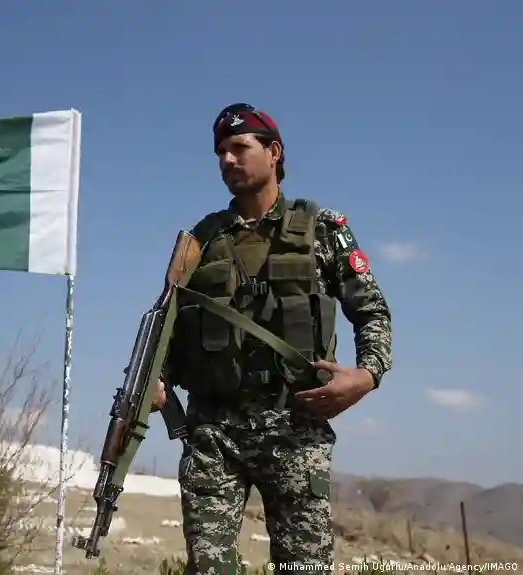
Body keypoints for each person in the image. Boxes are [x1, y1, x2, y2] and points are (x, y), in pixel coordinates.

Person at [152, 103, 392, 574]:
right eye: (220, 152)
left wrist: (367, 375)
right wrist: (157, 379)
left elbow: (372, 312)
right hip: (214, 433)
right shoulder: (200, 240)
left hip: (295, 426)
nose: (227, 159)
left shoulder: (323, 229)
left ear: (274, 152)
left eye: (239, 148)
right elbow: (169, 326)